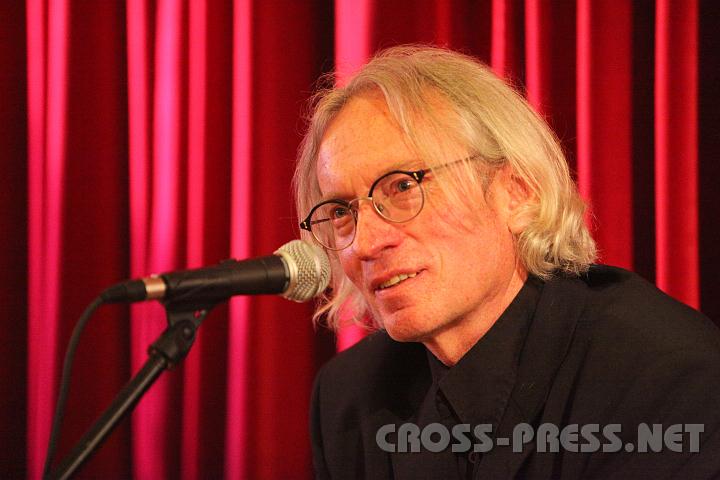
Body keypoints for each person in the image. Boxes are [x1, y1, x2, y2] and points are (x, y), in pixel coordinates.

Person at [293, 46, 720, 479]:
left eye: (403, 187)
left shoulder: (664, 376)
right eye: (342, 212)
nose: (366, 243)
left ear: (517, 193)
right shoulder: (349, 398)